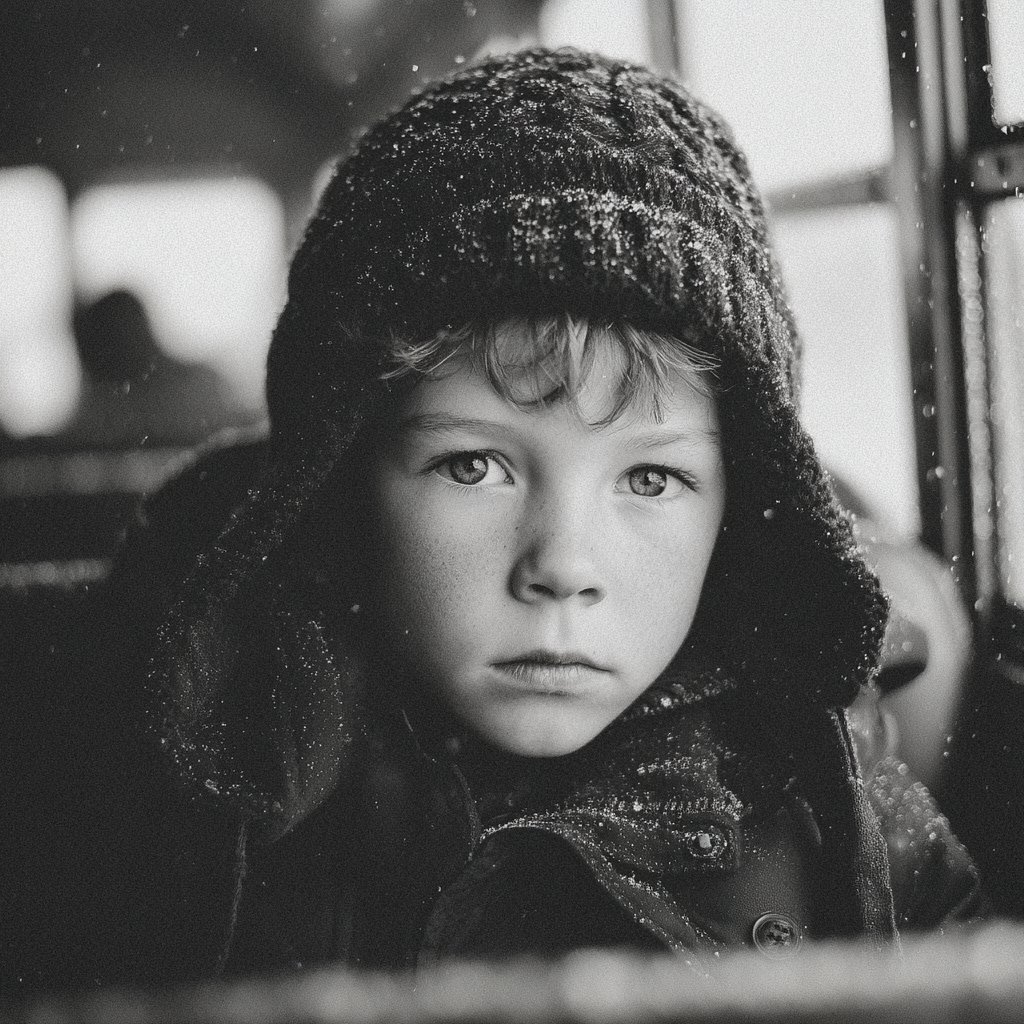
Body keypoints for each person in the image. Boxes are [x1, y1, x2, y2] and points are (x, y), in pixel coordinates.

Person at [47, 47, 979, 990]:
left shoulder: (822, 772)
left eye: (651, 480)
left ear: (740, 502)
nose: (562, 565)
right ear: (339, 481)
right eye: (474, 465)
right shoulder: (205, 763)